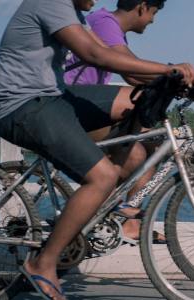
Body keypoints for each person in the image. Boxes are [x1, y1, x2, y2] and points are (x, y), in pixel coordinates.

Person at [0, 0, 194, 299]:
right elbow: (96, 55)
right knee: (101, 177)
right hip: (23, 106)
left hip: (52, 97)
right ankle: (42, 264)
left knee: (134, 100)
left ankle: (107, 190)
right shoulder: (50, 2)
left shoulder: (72, 11)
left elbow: (119, 65)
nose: (98, 1)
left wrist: (171, 79)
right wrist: (167, 69)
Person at [64, 0, 167, 242]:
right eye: (153, 13)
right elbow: (131, 72)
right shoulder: (104, 23)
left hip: (87, 107)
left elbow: (133, 76)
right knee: (136, 155)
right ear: (141, 7)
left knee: (152, 143)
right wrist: (172, 73)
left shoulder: (109, 26)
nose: (152, 20)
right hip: (71, 109)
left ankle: (122, 217)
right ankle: (107, 214)